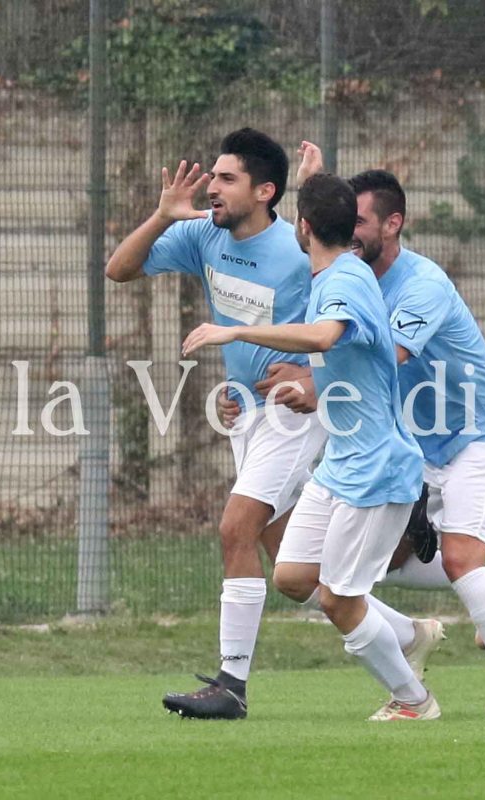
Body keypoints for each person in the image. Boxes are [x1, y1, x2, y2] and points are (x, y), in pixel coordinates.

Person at [252, 144, 485, 718]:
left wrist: (312, 384)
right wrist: (312, 188)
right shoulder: (351, 274)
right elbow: (314, 250)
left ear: (393, 224)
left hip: (481, 433)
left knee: (460, 559)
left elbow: (386, 355)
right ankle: (463, 608)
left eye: (362, 220)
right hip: (416, 442)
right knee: (335, 571)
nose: (351, 230)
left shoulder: (422, 284)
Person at [182, 173, 438, 721]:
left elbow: (323, 336)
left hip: (376, 467)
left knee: (337, 600)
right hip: (341, 464)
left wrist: (234, 332)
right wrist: (311, 178)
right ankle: (408, 634)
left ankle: (414, 701)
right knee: (293, 576)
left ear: (302, 227)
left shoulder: (343, 278)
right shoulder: (333, 272)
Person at [106, 128, 328, 720]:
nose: (213, 187)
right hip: (245, 414)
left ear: (265, 191)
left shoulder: (299, 252)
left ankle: (232, 685)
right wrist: (162, 215)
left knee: (235, 529)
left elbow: (354, 323)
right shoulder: (204, 232)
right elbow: (119, 270)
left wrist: (313, 377)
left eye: (227, 178)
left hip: (294, 414)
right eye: (214, 176)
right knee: (293, 569)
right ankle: (405, 632)